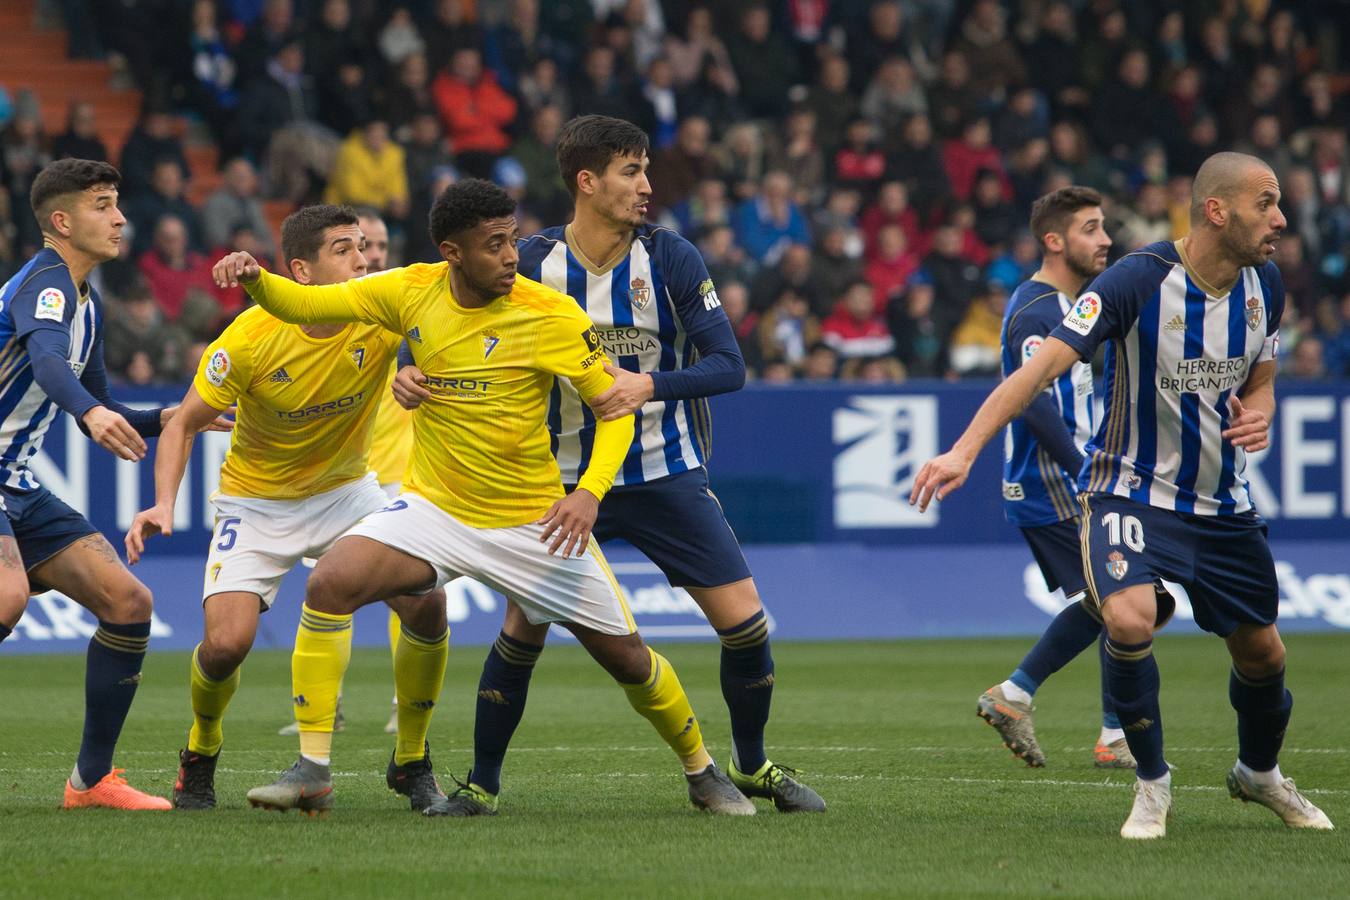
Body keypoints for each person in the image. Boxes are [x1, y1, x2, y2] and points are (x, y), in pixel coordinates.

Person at [209, 178, 753, 817]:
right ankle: (313, 767)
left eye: (513, 239)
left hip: (532, 519)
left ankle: (702, 771)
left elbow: (616, 410)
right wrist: (253, 279)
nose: (511, 256)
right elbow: (303, 305)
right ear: (452, 252)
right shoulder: (410, 290)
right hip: (435, 509)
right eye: (494, 244)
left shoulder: (549, 314)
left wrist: (590, 496)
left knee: (628, 658)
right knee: (331, 581)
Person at [396, 116, 825, 814]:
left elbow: (729, 366)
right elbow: (437, 313)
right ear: (586, 182)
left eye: (646, 170)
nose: (647, 186)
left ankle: (750, 764)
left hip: (662, 471)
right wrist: (404, 366)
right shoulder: (528, 261)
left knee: (746, 624)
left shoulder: (673, 258)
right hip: (558, 481)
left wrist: (649, 384)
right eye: (631, 172)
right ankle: (482, 785)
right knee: (523, 625)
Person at [910, 152, 1334, 839]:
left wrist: (1262, 409)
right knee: (1131, 618)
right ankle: (1152, 783)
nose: (1282, 219)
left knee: (1265, 657)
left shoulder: (1268, 286)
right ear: (1216, 210)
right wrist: (963, 449)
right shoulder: (1134, 281)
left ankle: (1259, 774)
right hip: (1127, 491)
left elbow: (1263, 374)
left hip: (1222, 504)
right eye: (1267, 203)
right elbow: (1038, 370)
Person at [126, 205, 451, 816]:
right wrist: (162, 503)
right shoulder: (249, 338)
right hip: (256, 503)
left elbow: (442, 342)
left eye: (364, 246)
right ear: (301, 271)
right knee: (225, 646)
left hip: (349, 492)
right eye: (344, 249)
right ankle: (201, 750)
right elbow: (183, 425)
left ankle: (411, 761)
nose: (363, 258)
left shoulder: (381, 316)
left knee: (427, 603)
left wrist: (411, 377)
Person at [0, 158, 217, 810]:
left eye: (118, 202)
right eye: (102, 204)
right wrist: (88, 414)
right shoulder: (46, 284)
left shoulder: (87, 302)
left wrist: (175, 416)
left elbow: (103, 400)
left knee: (129, 603)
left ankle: (90, 782)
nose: (120, 217)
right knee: (7, 597)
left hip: (13, 483)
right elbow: (45, 361)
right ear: (62, 221)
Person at [975, 186, 1142, 770]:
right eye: (1092, 228)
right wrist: (1083, 468)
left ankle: (1103, 730)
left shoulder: (1072, 302)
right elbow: (1033, 400)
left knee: (1116, 598)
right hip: (1052, 482)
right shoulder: (1038, 309)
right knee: (1120, 596)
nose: (1105, 239)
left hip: (1072, 478)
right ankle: (1027, 700)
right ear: (1055, 240)